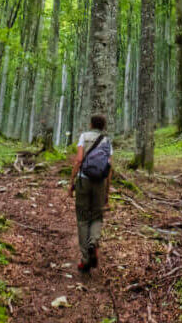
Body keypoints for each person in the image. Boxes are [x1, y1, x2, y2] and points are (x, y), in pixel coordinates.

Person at [69, 113, 112, 272]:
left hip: (84, 180)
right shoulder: (107, 141)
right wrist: (107, 191)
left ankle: (85, 259)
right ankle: (93, 242)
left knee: (82, 218)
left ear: (91, 124)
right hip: (100, 183)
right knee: (96, 216)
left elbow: (79, 159)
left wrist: (71, 181)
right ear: (103, 126)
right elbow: (109, 168)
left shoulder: (84, 137)